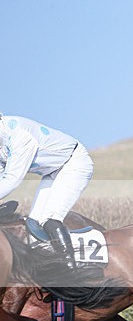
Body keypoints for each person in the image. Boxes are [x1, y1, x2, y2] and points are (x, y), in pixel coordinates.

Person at [0, 114, 94, 267]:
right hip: (52, 172)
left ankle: (72, 270)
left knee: (49, 220)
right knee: (33, 224)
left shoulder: (19, 137)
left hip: (73, 163)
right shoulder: (2, 140)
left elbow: (12, 179)